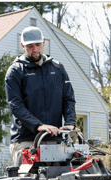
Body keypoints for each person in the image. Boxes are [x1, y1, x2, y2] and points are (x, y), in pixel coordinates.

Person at [5, 26, 76, 166]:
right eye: (30, 46)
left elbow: (68, 99)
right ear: (22, 46)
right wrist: (38, 125)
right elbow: (16, 106)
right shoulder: (15, 71)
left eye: (38, 44)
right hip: (26, 140)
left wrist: (70, 123)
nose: (35, 49)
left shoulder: (58, 68)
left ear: (44, 42)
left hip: (54, 139)